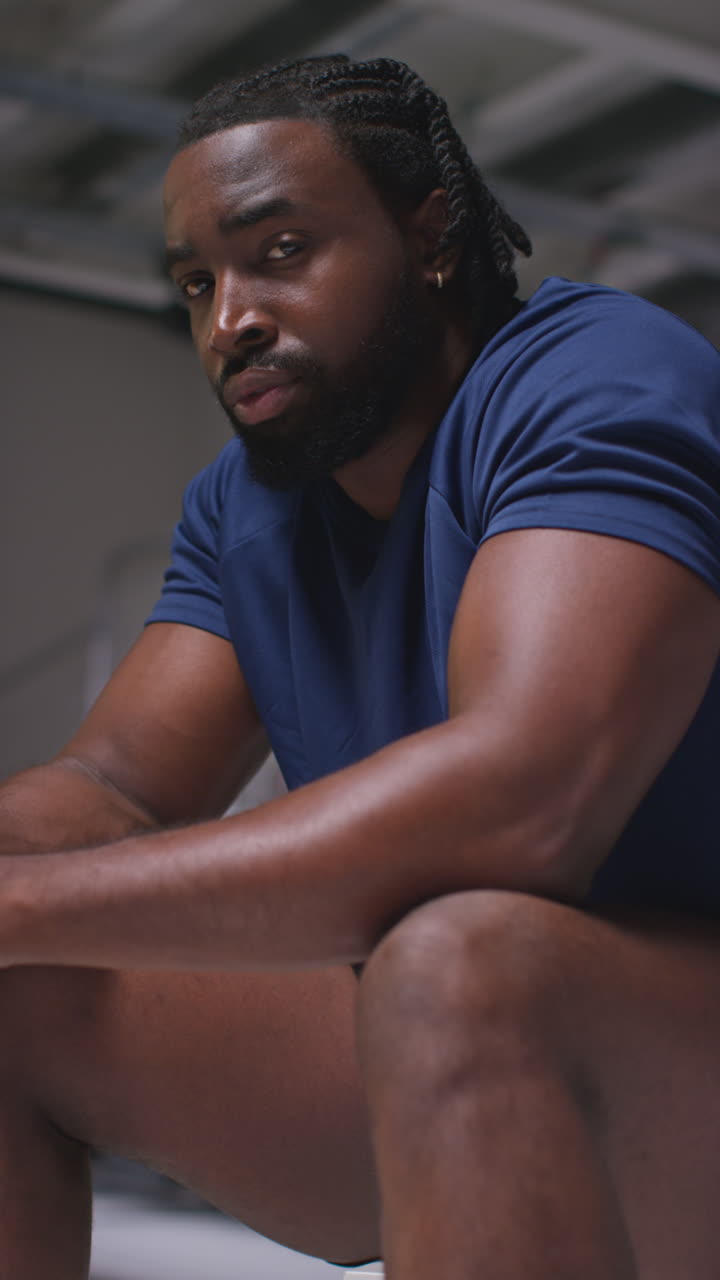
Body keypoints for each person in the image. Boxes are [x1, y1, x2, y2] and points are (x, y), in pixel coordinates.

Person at [1, 52, 720, 1280]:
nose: (231, 319)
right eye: (196, 282)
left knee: (459, 955)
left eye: (279, 250)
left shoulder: (591, 376)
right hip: (449, 1035)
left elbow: (521, 801)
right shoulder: (245, 507)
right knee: (20, 986)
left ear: (430, 234)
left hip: (655, 1034)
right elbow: (112, 789)